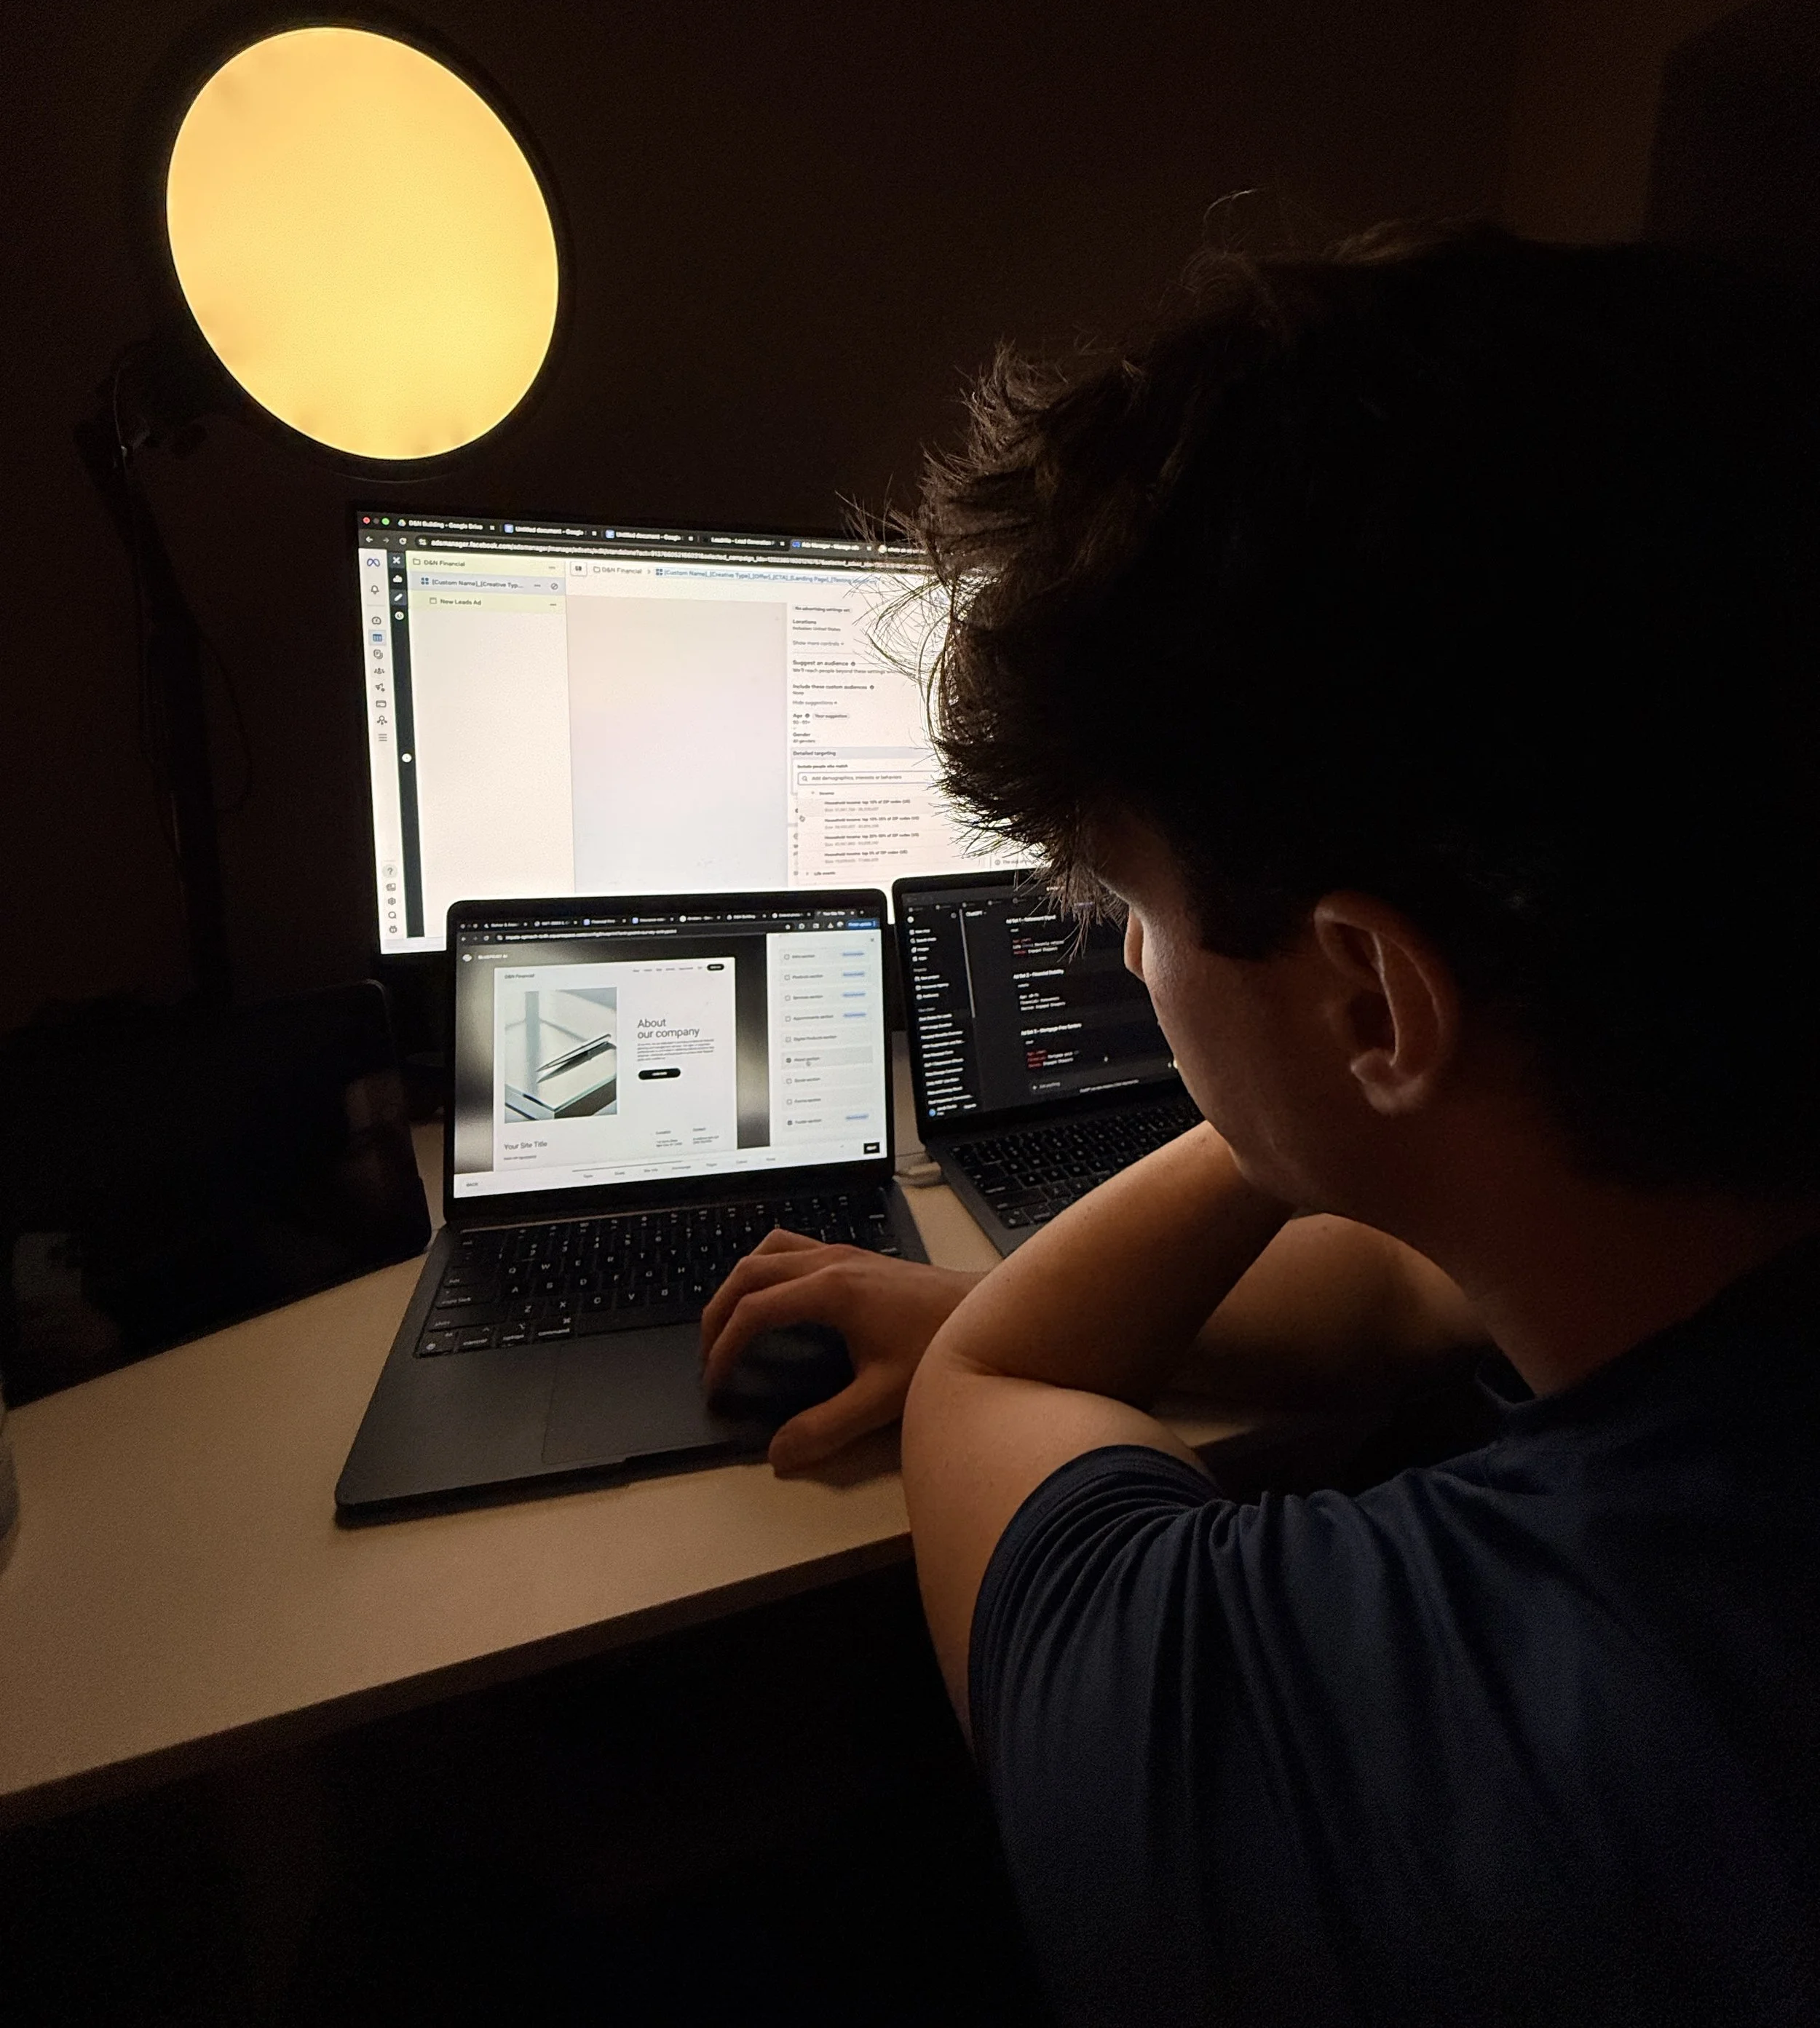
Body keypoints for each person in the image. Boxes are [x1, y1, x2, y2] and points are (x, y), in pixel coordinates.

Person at [702, 226, 1820, 2026]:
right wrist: (1390, 1047)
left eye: (1125, 901)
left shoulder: (1328, 1732)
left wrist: (1248, 1121)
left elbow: (990, 1386)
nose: (1129, 956)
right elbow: (1407, 1295)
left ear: (1374, 998)